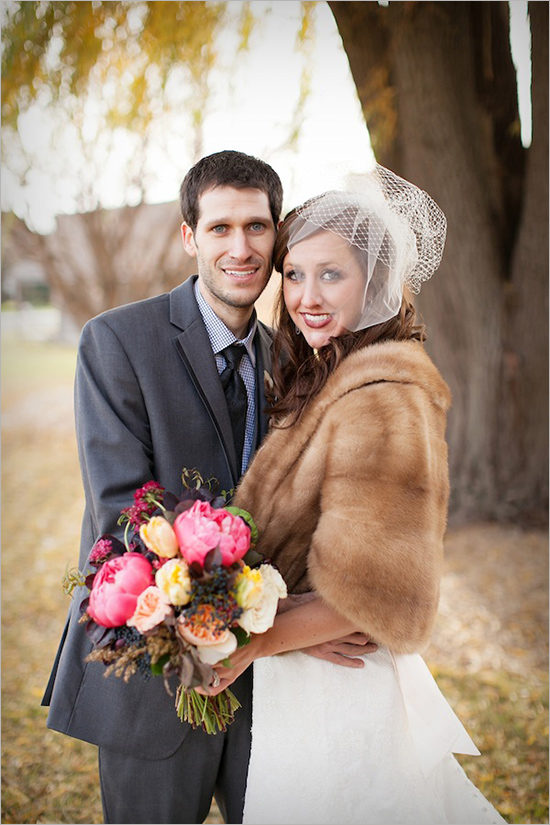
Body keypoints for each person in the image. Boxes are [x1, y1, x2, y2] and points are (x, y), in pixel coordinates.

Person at [41, 149, 375, 825]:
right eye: (220, 228)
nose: (241, 247)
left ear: (277, 237)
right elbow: (126, 523)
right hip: (153, 675)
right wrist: (273, 622)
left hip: (274, 691)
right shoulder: (117, 343)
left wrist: (287, 629)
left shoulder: (294, 358)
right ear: (189, 236)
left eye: (256, 226)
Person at [208, 166, 508, 824]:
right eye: (294, 273)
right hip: (306, 678)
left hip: (347, 694)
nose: (306, 296)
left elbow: (376, 588)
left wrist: (250, 643)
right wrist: (279, 633)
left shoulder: (385, 389)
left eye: (331, 274)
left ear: (373, 284)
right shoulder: (320, 371)